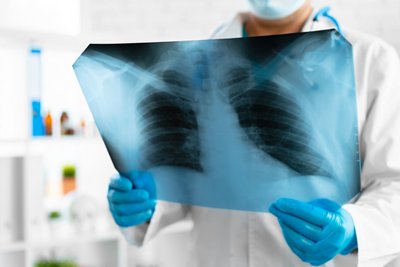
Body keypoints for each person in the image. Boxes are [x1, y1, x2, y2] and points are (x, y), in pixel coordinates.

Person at [107, 0, 400, 266]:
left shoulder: (370, 59)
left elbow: (395, 184)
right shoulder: (193, 61)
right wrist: (147, 200)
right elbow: (186, 184)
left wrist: (354, 228)